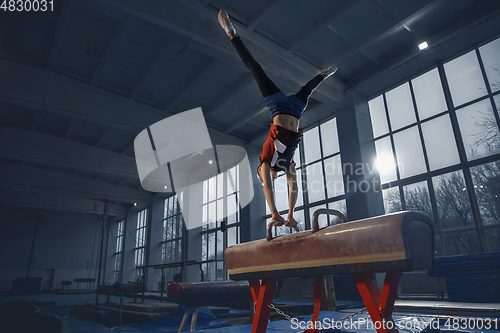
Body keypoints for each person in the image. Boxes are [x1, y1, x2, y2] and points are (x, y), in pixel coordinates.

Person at [218, 10, 337, 231]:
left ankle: (231, 33)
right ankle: (322, 75)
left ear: (262, 173)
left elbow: (267, 190)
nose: (269, 179)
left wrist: (274, 213)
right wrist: (290, 214)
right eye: (269, 178)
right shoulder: (287, 165)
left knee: (256, 70)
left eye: (265, 178)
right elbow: (294, 187)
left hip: (277, 106)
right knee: (307, 90)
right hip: (297, 111)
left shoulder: (266, 160)